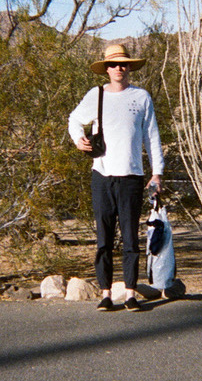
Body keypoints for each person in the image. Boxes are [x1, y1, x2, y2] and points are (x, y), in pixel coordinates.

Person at [68, 43, 164, 311]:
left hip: (131, 176)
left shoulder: (141, 97)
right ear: (106, 69)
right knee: (104, 238)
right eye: (113, 64)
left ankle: (130, 293)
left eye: (123, 64)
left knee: (131, 238)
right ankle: (106, 293)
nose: (119, 68)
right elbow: (74, 119)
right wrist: (78, 139)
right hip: (102, 175)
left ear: (129, 67)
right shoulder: (96, 95)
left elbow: (152, 136)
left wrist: (157, 173)